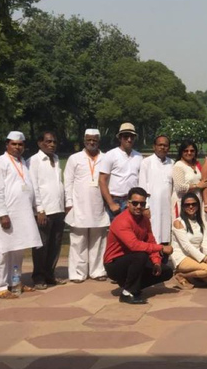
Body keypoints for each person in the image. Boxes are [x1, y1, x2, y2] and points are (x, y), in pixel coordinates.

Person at [0, 131, 42, 298]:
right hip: (7, 215)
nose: (17, 147)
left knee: (18, 250)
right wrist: (2, 214)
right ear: (7, 145)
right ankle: (0, 287)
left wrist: (36, 208)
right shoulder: (0, 163)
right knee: (3, 251)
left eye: (20, 144)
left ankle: (15, 282)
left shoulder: (22, 163)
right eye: (14, 144)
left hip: (23, 214)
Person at [103, 187, 174, 305]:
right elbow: (134, 245)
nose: (139, 206)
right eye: (135, 203)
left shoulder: (145, 220)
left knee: (166, 271)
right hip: (114, 264)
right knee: (140, 254)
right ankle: (127, 292)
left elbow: (151, 241)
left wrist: (156, 261)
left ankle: (131, 286)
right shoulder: (122, 221)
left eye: (142, 203)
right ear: (128, 203)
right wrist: (161, 248)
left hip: (133, 259)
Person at [64, 129, 109, 283]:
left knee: (98, 241)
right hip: (79, 205)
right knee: (78, 241)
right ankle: (78, 273)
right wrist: (69, 203)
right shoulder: (74, 158)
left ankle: (97, 271)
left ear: (99, 141)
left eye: (94, 140)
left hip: (99, 206)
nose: (91, 142)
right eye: (88, 140)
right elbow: (68, 181)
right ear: (84, 140)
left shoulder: (105, 158)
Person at [29, 131, 67, 290]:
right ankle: (38, 277)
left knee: (55, 244)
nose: (52, 145)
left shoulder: (56, 159)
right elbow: (34, 186)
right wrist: (40, 210)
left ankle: (49, 274)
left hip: (58, 208)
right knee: (41, 246)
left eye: (54, 142)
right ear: (40, 143)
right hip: (44, 210)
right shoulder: (34, 161)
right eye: (48, 142)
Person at [170, 192, 207, 288]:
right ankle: (181, 275)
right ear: (183, 207)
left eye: (194, 204)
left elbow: (205, 243)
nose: (191, 207)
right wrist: (205, 258)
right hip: (182, 257)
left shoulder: (199, 222)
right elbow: (186, 246)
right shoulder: (178, 222)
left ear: (198, 206)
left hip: (196, 257)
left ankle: (192, 275)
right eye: (187, 205)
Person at [97, 122, 143, 221]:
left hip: (132, 201)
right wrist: (111, 203)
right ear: (120, 138)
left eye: (132, 137)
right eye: (126, 136)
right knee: (116, 232)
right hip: (116, 200)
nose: (129, 139)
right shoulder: (110, 155)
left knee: (131, 231)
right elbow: (102, 180)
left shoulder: (139, 156)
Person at [139, 135, 174, 246]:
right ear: (154, 146)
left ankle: (163, 260)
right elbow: (142, 186)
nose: (162, 147)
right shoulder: (147, 162)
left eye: (165, 145)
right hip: (152, 206)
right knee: (153, 234)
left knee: (166, 234)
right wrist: (145, 207)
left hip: (168, 206)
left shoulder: (172, 163)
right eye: (160, 145)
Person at [172, 139, 206, 225]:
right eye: (186, 151)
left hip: (195, 203)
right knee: (182, 227)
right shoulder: (179, 166)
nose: (189, 153)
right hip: (182, 202)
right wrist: (197, 186)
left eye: (192, 151)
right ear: (181, 152)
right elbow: (179, 188)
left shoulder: (196, 165)